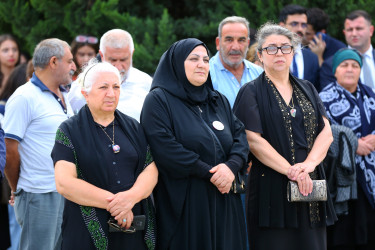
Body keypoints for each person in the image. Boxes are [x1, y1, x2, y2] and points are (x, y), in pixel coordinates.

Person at [233, 23, 336, 250]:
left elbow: (326, 133)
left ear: (293, 52)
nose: (278, 53)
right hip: (270, 187)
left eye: (285, 47)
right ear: (259, 54)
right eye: (271, 48)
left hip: (310, 184)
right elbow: (253, 140)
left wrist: (307, 166)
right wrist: (291, 171)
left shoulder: (308, 87)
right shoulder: (250, 91)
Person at [141, 38, 249, 250]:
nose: (202, 64)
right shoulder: (159, 100)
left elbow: (240, 136)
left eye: (206, 60)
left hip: (225, 195)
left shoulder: (217, 100)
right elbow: (165, 147)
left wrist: (231, 167)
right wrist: (212, 174)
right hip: (187, 200)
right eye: (193, 59)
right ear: (177, 64)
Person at [51, 60, 157, 249]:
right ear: (85, 93)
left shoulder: (134, 127)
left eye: (116, 87)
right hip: (86, 227)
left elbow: (150, 169)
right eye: (103, 87)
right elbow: (64, 182)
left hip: (132, 225)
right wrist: (117, 205)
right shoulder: (69, 130)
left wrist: (130, 199)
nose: (111, 93)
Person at [3, 38, 76, 250]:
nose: (74, 66)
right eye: (69, 61)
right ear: (54, 62)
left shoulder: (64, 95)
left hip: (64, 191)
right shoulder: (24, 97)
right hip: (39, 195)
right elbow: (9, 150)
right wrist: (19, 189)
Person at [319, 48, 375, 249]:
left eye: (355, 65)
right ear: (335, 71)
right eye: (344, 65)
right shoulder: (322, 99)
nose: (350, 69)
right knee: (344, 234)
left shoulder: (370, 94)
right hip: (341, 175)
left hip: (370, 174)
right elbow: (319, 131)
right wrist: (353, 143)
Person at [68, 29, 152, 121]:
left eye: (123, 60)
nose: (118, 67)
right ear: (101, 55)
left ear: (131, 54)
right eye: (113, 60)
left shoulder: (146, 83)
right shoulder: (82, 85)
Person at [209, 16, 263, 107]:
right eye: (229, 40)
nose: (235, 47)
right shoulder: (207, 74)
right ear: (218, 43)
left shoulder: (259, 73)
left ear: (248, 43)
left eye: (241, 40)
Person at [320, 10, 375, 89]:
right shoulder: (331, 64)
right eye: (350, 30)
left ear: (371, 30)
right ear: (344, 32)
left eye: (359, 29)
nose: (354, 34)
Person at [279, 4, 320, 91]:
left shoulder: (312, 58)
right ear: (282, 26)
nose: (300, 29)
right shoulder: (271, 54)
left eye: (304, 25)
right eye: (294, 24)